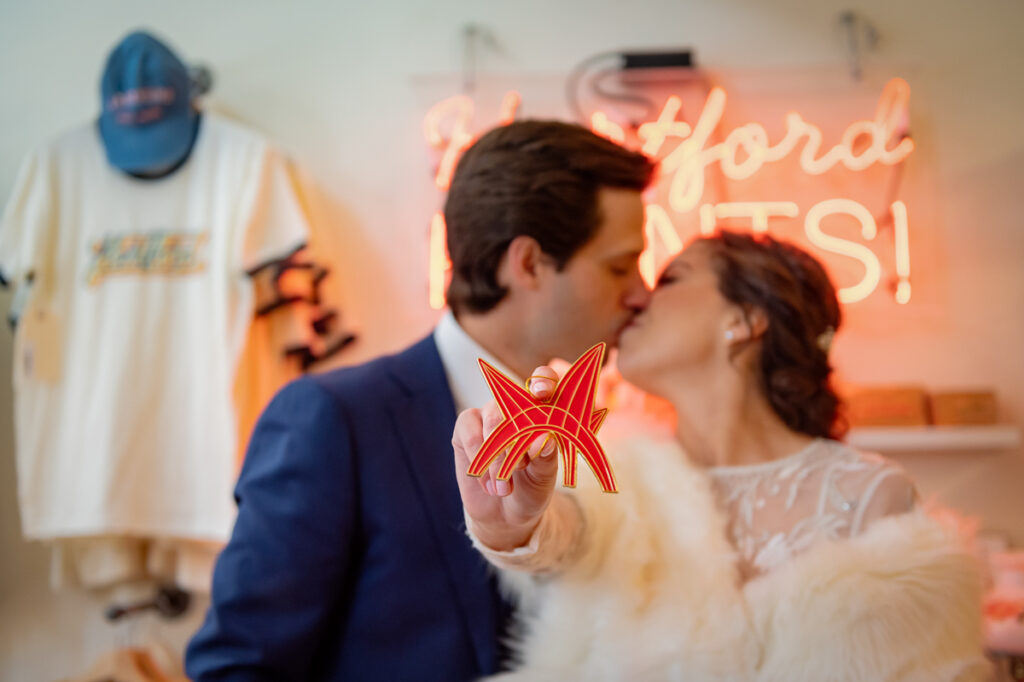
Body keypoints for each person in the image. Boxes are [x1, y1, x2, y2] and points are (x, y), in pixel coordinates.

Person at [185, 120, 656, 681]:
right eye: (619, 265)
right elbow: (238, 667)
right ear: (528, 263)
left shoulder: (616, 436)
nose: (640, 292)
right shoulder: (333, 419)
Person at [453, 230, 990, 681]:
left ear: (746, 318)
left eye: (669, 279)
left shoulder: (871, 496)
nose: (635, 297)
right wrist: (511, 524)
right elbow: (559, 535)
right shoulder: (615, 474)